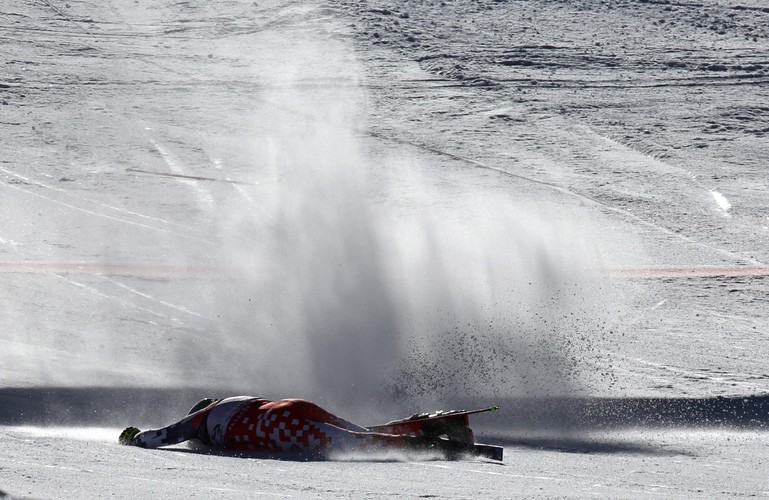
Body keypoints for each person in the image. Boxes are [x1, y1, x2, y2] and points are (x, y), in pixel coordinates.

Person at [119, 396, 415, 456]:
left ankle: (439, 446)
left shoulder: (203, 419)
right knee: (361, 432)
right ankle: (418, 431)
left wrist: (133, 438)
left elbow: (164, 436)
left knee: (358, 445)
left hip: (280, 424)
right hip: (294, 405)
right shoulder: (232, 400)